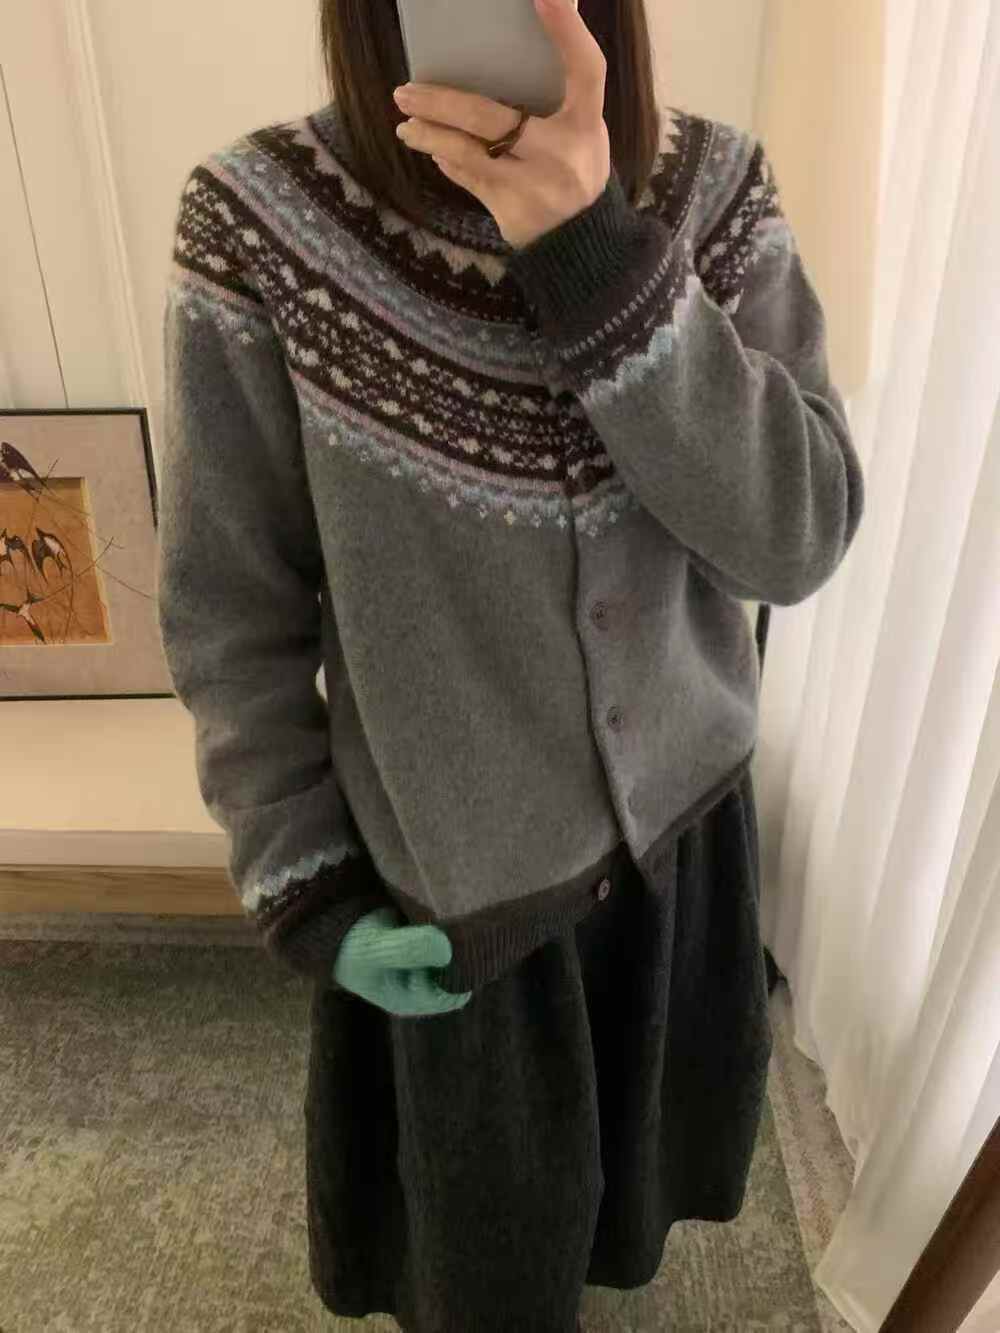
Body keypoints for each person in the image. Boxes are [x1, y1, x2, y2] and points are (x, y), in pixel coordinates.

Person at [155, 0, 866, 1328]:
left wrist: (596, 254)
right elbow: (231, 609)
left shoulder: (716, 193)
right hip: (458, 895)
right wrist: (300, 872)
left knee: (629, 1211)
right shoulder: (260, 225)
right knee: (481, 1268)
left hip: (680, 855)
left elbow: (798, 536)